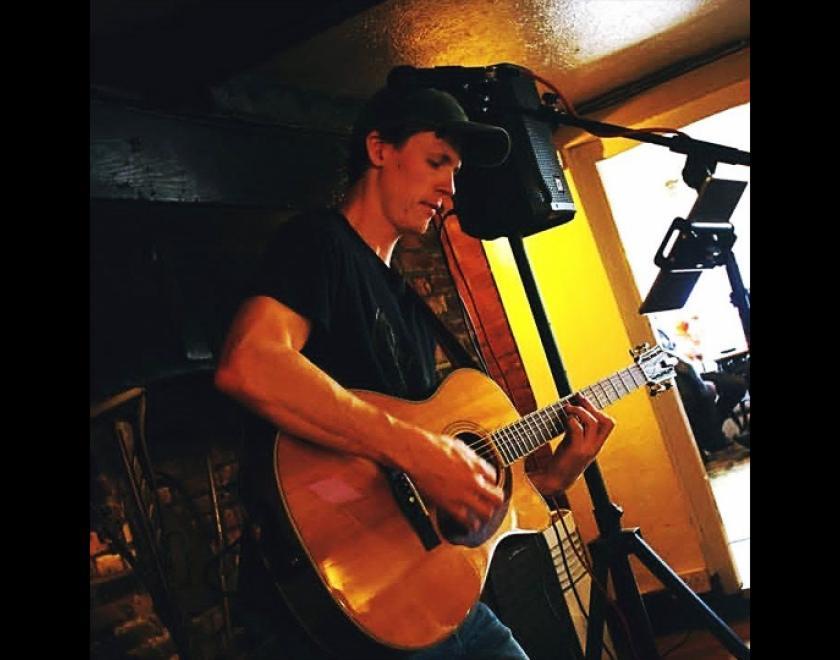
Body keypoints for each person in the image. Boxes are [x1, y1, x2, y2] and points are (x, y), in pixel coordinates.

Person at [214, 83, 617, 659]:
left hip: (435, 598)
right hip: (340, 611)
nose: (449, 188)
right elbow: (249, 363)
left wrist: (545, 483)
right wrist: (422, 453)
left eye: (454, 171)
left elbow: (426, 492)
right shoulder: (319, 243)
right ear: (379, 149)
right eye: (436, 162)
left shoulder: (406, 303)